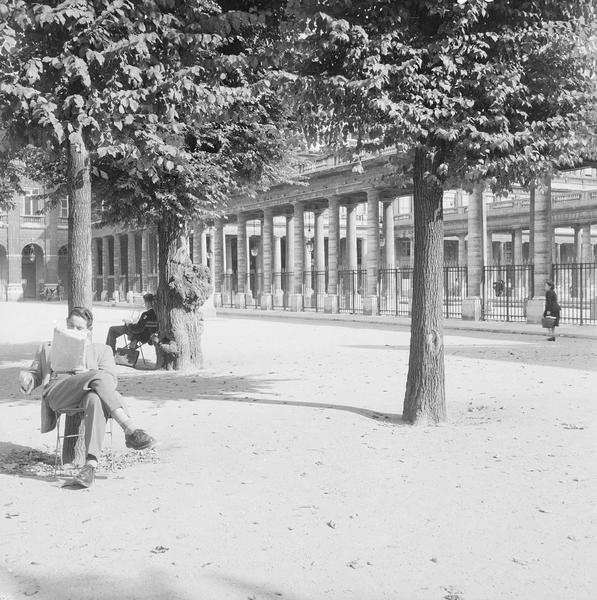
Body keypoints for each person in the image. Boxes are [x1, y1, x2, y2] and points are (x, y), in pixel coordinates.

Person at [18, 306, 155, 488]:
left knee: (95, 399)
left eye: (79, 329)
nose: (73, 331)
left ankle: (90, 466)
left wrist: (85, 373)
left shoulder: (102, 350)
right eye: (71, 326)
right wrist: (27, 379)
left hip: (87, 394)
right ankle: (130, 429)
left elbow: (110, 382)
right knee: (97, 376)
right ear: (66, 324)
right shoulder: (47, 347)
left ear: (89, 331)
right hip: (58, 392)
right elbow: (34, 374)